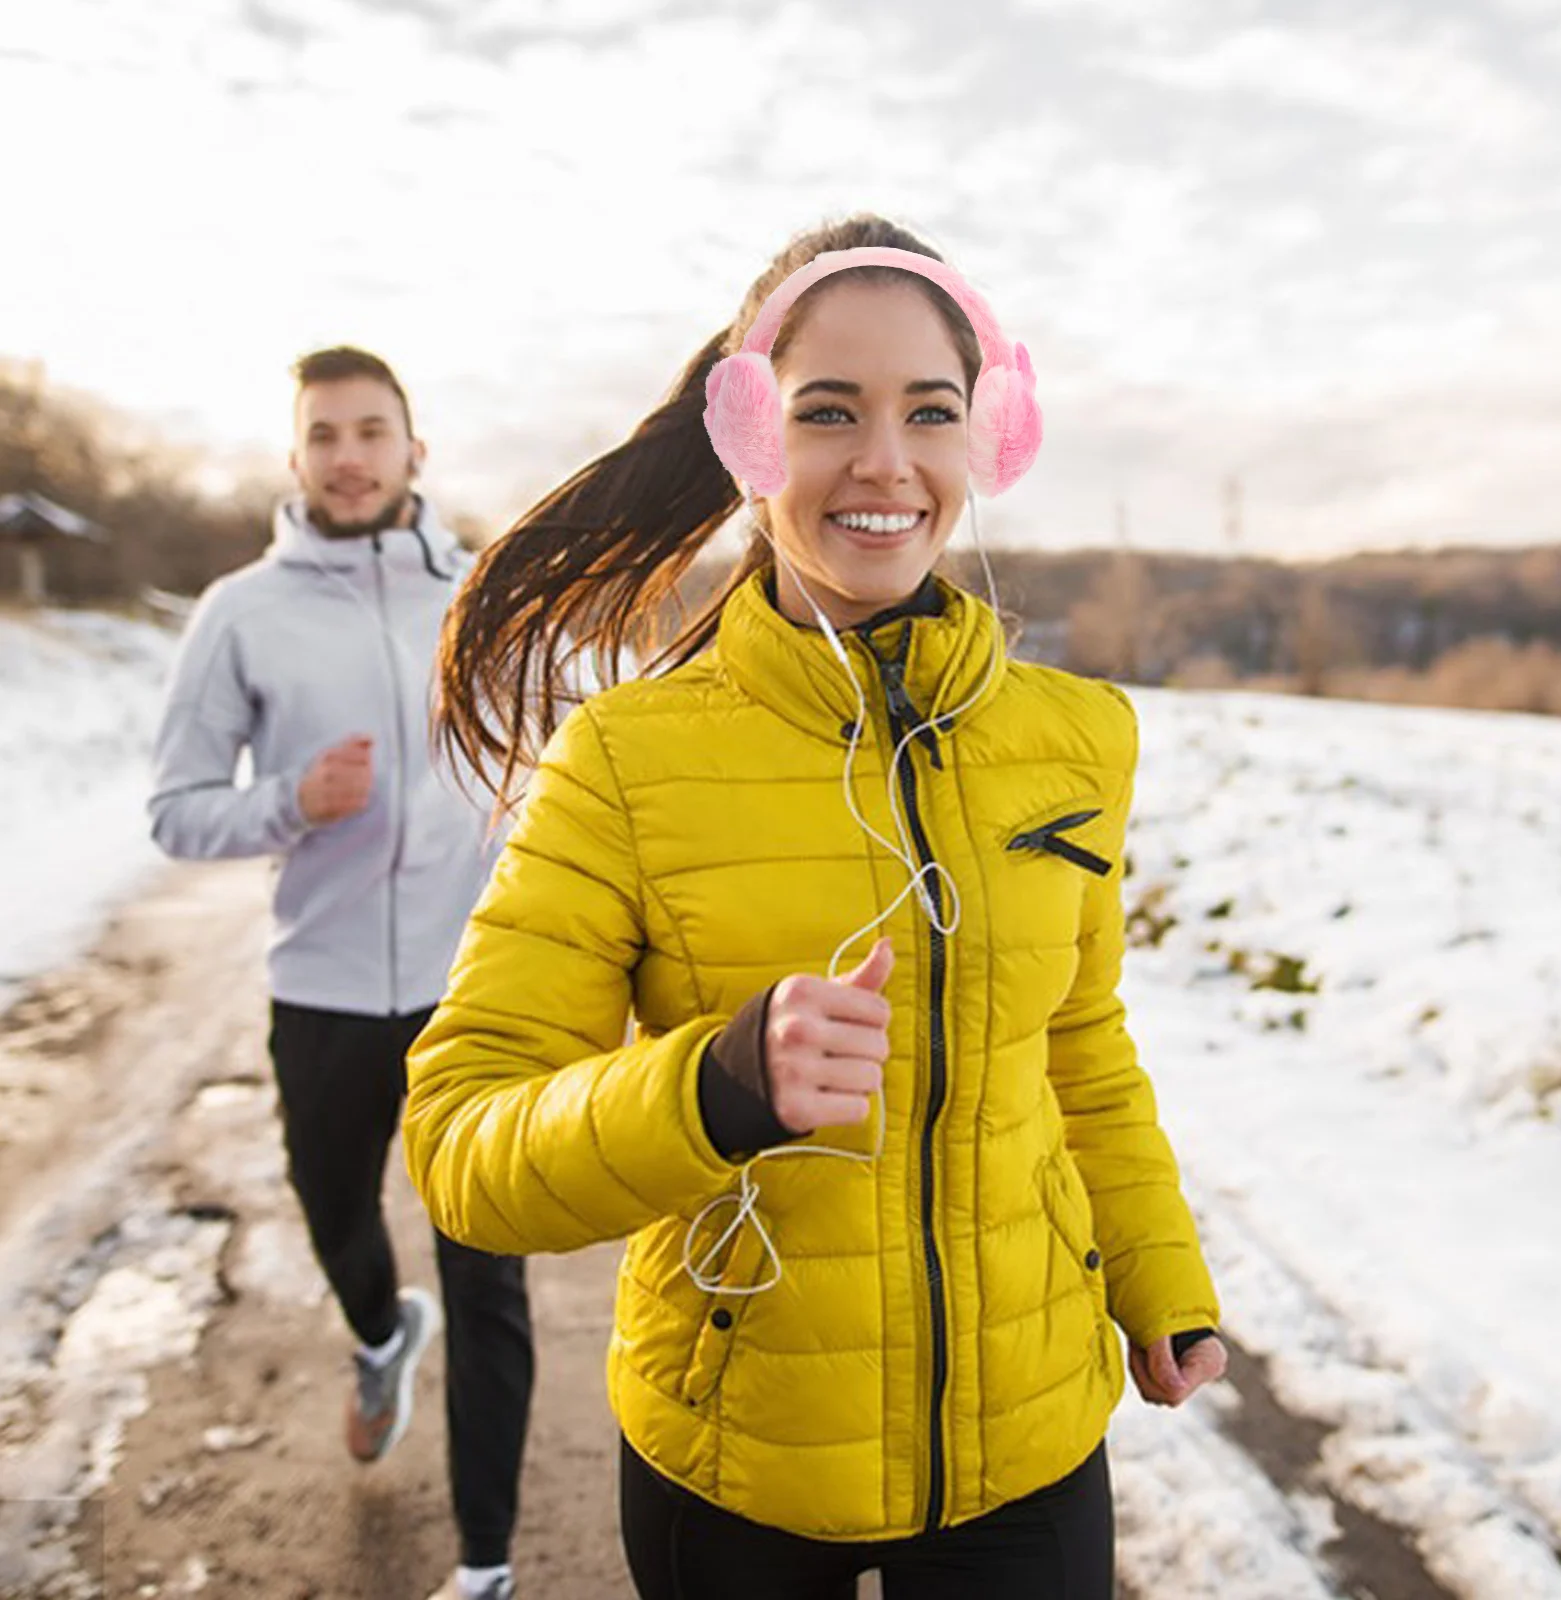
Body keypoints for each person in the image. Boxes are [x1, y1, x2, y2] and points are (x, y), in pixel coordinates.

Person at [404, 216, 1226, 1600]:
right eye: (828, 410)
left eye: (932, 411)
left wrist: (1161, 1276)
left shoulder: (1082, 738)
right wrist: (714, 1087)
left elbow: (1078, 1044)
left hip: (1028, 1449)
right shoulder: (627, 759)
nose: (885, 461)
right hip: (736, 1458)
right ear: (752, 438)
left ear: (990, 437)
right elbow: (461, 1141)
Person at [147, 347, 532, 1600]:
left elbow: (562, 751)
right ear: (297, 456)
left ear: (416, 451)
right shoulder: (240, 613)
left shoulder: (484, 594)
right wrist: (290, 804)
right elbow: (176, 810)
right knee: (336, 1217)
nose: (351, 455)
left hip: (472, 993)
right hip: (317, 989)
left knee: (489, 1280)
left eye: (374, 431)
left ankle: (485, 1566)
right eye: (326, 435)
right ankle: (378, 1334)